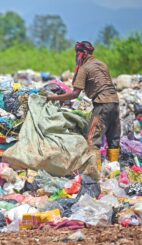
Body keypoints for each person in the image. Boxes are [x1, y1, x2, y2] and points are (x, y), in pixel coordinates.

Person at [47, 41, 121, 171]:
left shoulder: (85, 67)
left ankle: (96, 173)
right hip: (114, 102)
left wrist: (51, 98)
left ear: (84, 53)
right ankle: (114, 170)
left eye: (77, 53)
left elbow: (75, 94)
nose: (76, 56)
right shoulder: (102, 64)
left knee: (93, 140)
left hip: (102, 104)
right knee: (113, 138)